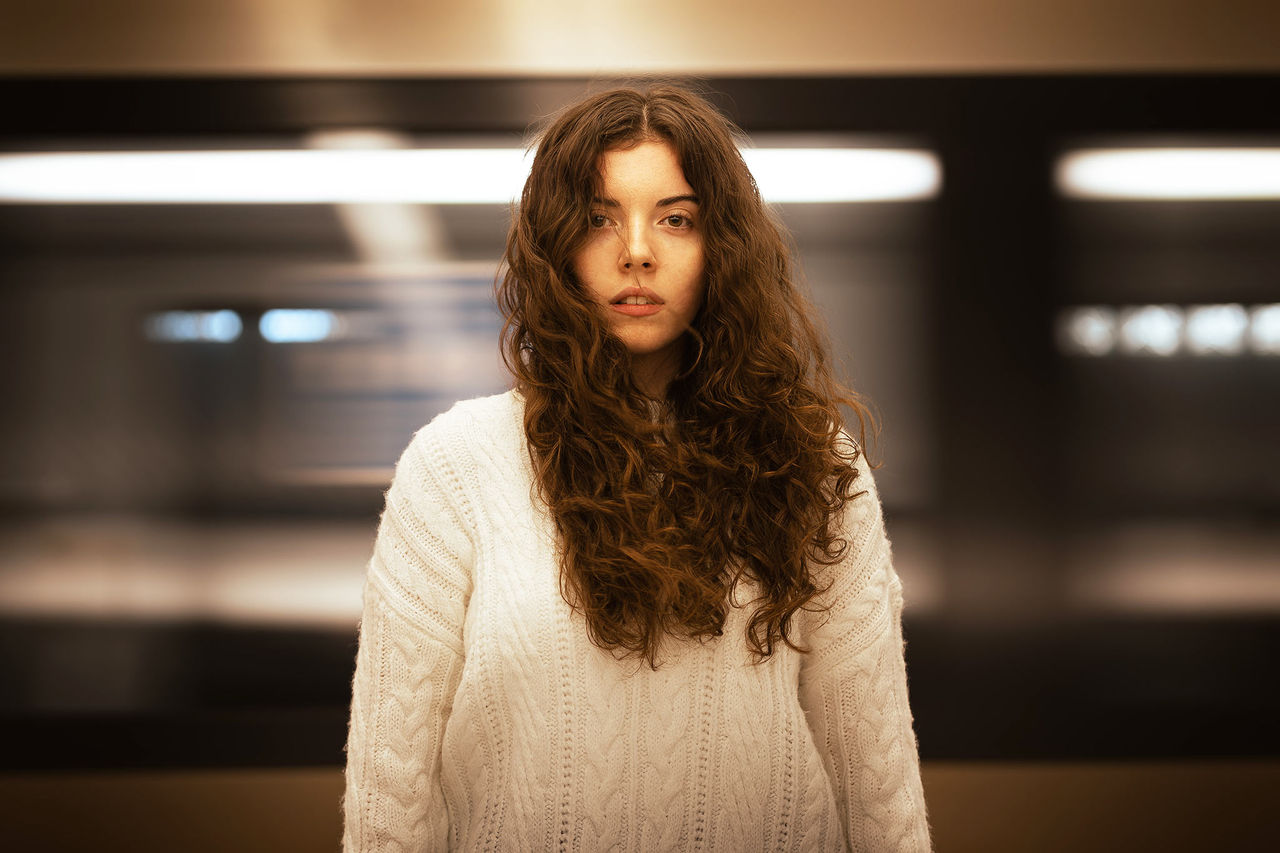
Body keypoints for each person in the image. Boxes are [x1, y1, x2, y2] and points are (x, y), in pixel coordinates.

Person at [342, 83, 932, 852]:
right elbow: (388, 798)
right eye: (599, 218)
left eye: (676, 218)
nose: (638, 251)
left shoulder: (815, 467)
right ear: (555, 246)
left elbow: (878, 785)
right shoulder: (455, 469)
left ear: (721, 246)